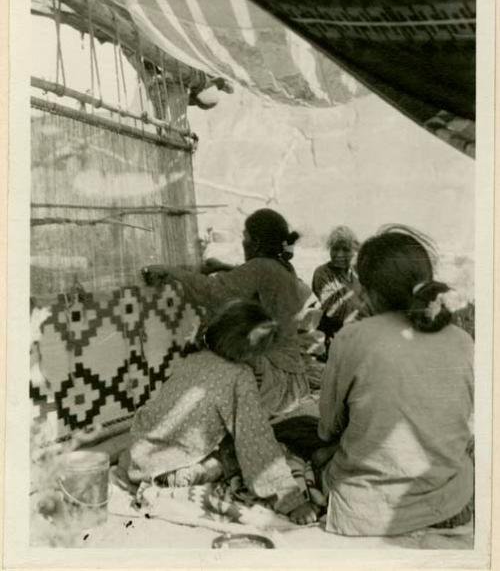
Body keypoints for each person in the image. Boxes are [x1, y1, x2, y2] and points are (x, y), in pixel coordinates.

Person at [317, 226, 474, 536]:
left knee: (317, 452)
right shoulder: (462, 339)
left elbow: (327, 428)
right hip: (450, 504)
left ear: (369, 291)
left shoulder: (351, 338)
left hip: (364, 513)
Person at [125, 300, 317, 525]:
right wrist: (291, 500)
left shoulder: (193, 360)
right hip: (170, 465)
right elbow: (256, 442)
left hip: (140, 457)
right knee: (246, 454)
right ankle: (191, 473)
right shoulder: (239, 377)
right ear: (251, 351)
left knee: (227, 441)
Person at [142, 208, 311, 418]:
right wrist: (224, 267)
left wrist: (171, 271)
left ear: (256, 242)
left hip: (273, 379)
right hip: (291, 375)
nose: (243, 242)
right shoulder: (283, 267)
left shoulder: (260, 267)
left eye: (245, 237)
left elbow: (213, 292)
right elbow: (257, 280)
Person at [311, 226, 368, 356]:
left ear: (353, 252)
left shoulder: (356, 275)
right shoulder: (322, 273)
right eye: (335, 248)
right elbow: (334, 310)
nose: (339, 254)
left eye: (345, 250)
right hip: (333, 341)